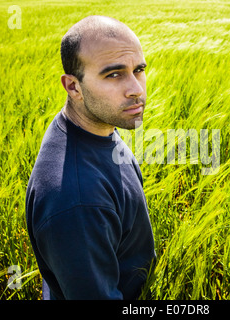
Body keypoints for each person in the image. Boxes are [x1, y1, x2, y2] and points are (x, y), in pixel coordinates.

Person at [25, 15, 156, 300]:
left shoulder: (96, 127)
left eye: (139, 70)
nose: (136, 89)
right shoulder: (77, 200)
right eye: (114, 74)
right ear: (73, 87)